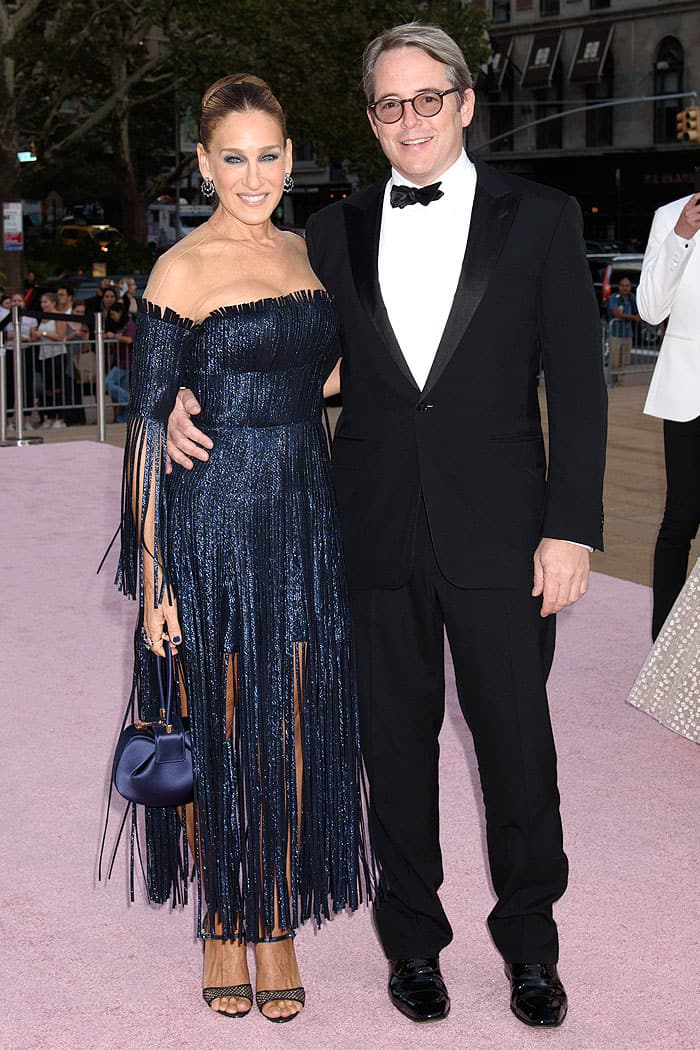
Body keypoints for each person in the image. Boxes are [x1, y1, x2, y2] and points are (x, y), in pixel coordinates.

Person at [167, 24, 606, 1029]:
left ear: (462, 102)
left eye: (425, 98)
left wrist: (571, 528)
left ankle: (531, 946)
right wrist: (181, 398)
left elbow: (576, 387)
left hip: (504, 533)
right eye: (387, 104)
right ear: (371, 119)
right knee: (393, 752)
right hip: (364, 530)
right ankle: (413, 942)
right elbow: (286, 361)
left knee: (517, 748)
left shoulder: (540, 217)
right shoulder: (332, 229)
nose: (407, 120)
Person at [116, 73, 371, 1024]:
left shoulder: (311, 253)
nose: (254, 175)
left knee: (296, 727)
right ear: (204, 164)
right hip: (212, 522)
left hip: (306, 515)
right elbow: (146, 428)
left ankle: (278, 921)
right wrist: (152, 581)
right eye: (234, 157)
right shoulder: (181, 268)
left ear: (291, 157)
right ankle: (231, 918)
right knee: (225, 723)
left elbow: (334, 369)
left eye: (270, 155)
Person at [636, 191, 700, 640]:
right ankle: (664, 644)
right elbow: (650, 308)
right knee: (680, 519)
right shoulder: (669, 215)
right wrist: (681, 235)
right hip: (688, 391)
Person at [30, 290, 68, 428]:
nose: (43, 304)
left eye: (45, 302)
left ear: (53, 303)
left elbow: (60, 336)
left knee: (58, 387)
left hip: (57, 355)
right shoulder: (42, 317)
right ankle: (51, 417)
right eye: (42, 302)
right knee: (48, 389)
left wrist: (44, 333)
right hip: (44, 355)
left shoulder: (59, 316)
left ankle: (61, 418)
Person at [104, 303, 135, 422]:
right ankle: (123, 418)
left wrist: (114, 336)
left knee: (107, 383)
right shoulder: (122, 326)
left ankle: (129, 400)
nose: (112, 317)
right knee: (123, 386)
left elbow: (129, 339)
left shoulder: (130, 325)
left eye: (114, 314)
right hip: (121, 361)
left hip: (126, 362)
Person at [608, 275, 640, 384]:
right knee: (614, 360)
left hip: (628, 334)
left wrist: (638, 317)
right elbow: (616, 313)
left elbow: (639, 311)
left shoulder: (632, 297)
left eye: (627, 286)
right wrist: (633, 318)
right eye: (622, 286)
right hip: (615, 334)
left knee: (625, 359)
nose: (625, 288)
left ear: (630, 287)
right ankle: (613, 381)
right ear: (619, 286)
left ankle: (620, 381)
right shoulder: (614, 297)